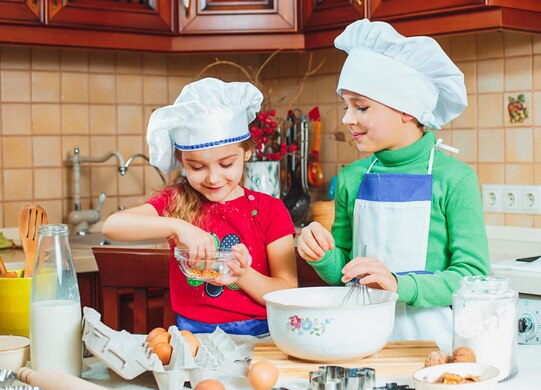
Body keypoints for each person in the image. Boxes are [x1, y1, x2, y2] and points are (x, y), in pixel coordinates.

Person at [297, 19, 490, 347]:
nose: (347, 118)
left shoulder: (455, 179)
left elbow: (472, 279)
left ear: (407, 109)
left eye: (361, 106)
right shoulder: (352, 178)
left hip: (432, 344)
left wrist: (399, 284)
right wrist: (322, 257)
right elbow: (345, 267)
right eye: (347, 106)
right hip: (362, 339)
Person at [102, 78, 297, 337]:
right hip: (193, 338)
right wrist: (177, 226)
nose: (213, 178)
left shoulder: (269, 210)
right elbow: (112, 226)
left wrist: (241, 274)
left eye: (226, 164)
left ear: (247, 152)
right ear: (182, 159)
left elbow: (287, 291)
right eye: (197, 167)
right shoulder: (176, 202)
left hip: (262, 338)